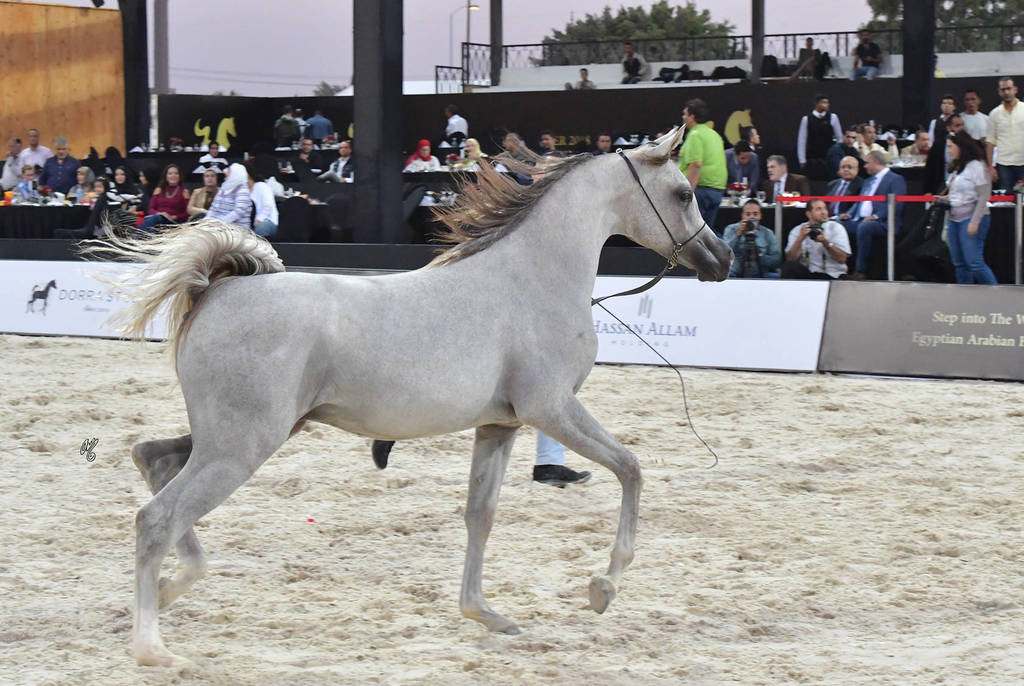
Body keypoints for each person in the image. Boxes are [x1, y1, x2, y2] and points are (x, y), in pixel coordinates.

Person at [939, 131, 996, 284]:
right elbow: (958, 193)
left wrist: (975, 221)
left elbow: (984, 195)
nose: (949, 151)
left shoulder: (977, 166)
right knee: (959, 263)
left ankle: (997, 294)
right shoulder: (958, 167)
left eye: (951, 147)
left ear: (961, 147)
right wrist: (944, 199)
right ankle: (964, 297)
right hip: (954, 219)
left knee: (974, 263)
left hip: (971, 217)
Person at [845, 150, 907, 279]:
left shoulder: (895, 179)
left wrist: (876, 216)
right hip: (860, 219)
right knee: (836, 225)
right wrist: (849, 214)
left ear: (875, 162)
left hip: (883, 223)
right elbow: (860, 201)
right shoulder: (867, 181)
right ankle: (838, 268)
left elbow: (897, 204)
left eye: (867, 163)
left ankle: (860, 270)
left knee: (865, 227)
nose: (865, 166)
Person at [679, 98, 727, 231]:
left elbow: (696, 165)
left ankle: (726, 251)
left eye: (685, 114)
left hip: (701, 191)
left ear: (692, 116)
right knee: (707, 233)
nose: (683, 117)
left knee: (693, 233)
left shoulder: (695, 135)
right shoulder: (714, 135)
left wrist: (688, 194)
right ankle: (723, 251)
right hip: (717, 191)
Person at [782, 198, 851, 279]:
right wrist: (800, 239)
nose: (823, 212)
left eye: (825, 208)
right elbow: (790, 259)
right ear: (809, 214)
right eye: (818, 209)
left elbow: (842, 259)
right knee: (789, 268)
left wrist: (826, 243)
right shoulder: (798, 230)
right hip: (808, 274)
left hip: (832, 274)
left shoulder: (836, 228)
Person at [722, 199, 781, 277]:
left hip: (761, 273)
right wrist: (738, 235)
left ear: (760, 216)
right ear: (742, 215)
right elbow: (723, 254)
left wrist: (759, 257)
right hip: (735, 273)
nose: (752, 217)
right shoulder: (731, 229)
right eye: (748, 214)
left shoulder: (767, 233)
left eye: (755, 214)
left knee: (775, 277)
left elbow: (777, 259)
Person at [986, 77, 1024, 191]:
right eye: (1003, 89)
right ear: (999, 92)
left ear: (1015, 89)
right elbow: (990, 142)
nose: (1006, 92)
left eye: (1009, 88)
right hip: (1004, 164)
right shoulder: (994, 114)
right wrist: (990, 167)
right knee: (1006, 200)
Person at [797, 95, 843, 179]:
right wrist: (802, 160)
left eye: (827, 103)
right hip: (812, 157)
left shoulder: (833, 117)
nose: (827, 105)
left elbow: (839, 138)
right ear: (816, 104)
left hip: (829, 157)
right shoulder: (806, 119)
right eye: (824, 102)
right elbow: (801, 140)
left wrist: (838, 157)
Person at [138, 164, 190, 232]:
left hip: (173, 221)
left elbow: (187, 213)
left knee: (155, 221)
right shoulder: (159, 190)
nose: (173, 176)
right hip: (157, 218)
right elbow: (150, 209)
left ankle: (136, 237)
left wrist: (175, 217)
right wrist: (160, 213)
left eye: (176, 173)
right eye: (170, 173)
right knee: (154, 224)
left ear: (180, 176)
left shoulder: (184, 192)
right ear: (166, 176)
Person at [925, 113, 965, 193]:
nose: (961, 128)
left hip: (962, 186)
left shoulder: (968, 145)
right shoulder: (938, 145)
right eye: (957, 125)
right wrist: (927, 191)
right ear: (949, 128)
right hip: (942, 184)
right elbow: (930, 168)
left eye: (962, 125)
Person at [206, 162, 252, 228]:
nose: (226, 172)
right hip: (218, 226)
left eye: (229, 171)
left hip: (237, 229)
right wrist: (206, 221)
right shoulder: (224, 188)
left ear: (236, 174)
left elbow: (238, 212)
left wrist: (219, 223)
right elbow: (213, 208)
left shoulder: (242, 190)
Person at [827, 156, 864, 220]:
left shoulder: (862, 185)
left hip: (845, 219)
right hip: (828, 218)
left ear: (857, 170)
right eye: (843, 167)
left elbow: (856, 207)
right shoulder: (832, 184)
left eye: (849, 167)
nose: (846, 169)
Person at [248, 167, 278, 238]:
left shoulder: (262, 186)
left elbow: (268, 205)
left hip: (267, 220)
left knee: (261, 228)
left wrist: (259, 219)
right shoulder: (242, 189)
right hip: (248, 223)